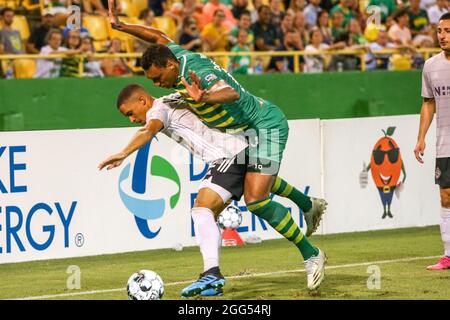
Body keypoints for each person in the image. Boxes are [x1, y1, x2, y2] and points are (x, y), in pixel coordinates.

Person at [107, 0, 328, 294]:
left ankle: (311, 254)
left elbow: (230, 92)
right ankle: (307, 205)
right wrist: (122, 27)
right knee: (254, 186)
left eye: (158, 78)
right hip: (245, 133)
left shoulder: (195, 73)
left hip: (266, 126)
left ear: (170, 66)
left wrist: (204, 98)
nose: (158, 84)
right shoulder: (175, 57)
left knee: (256, 199)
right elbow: (158, 37)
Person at [99, 84, 328, 296]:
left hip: (228, 155)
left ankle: (212, 274)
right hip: (248, 141)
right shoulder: (172, 98)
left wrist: (123, 153)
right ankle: (307, 205)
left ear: (142, 100)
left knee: (202, 209)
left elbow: (147, 131)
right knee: (254, 194)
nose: (131, 119)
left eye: (130, 113)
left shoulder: (157, 111)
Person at [414, 12, 450, 271]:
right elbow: (428, 103)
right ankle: (448, 254)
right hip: (444, 142)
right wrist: (421, 138)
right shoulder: (430, 66)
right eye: (439, 31)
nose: (442, 36)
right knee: (446, 197)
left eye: (447, 30)